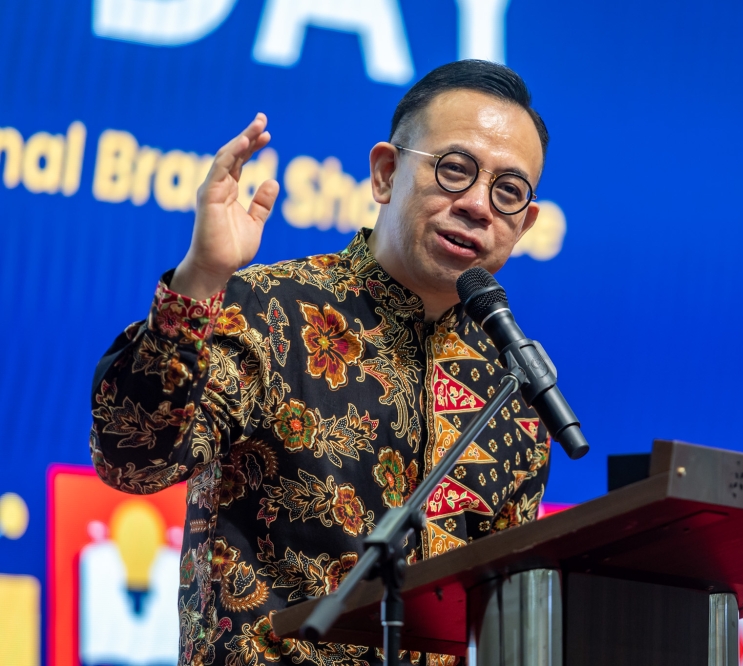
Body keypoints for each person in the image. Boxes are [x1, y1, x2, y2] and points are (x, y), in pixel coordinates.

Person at [89, 60, 553, 666]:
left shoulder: (511, 390)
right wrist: (199, 279)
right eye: (455, 170)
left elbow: (504, 621)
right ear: (386, 173)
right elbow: (133, 462)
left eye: (508, 191)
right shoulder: (269, 312)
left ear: (525, 223)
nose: (477, 206)